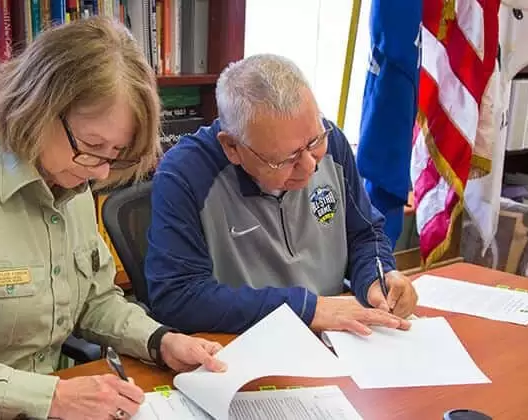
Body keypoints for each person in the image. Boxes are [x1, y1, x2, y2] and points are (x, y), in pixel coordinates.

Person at [0, 17, 225, 420]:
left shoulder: (71, 179)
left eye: (115, 153)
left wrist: (160, 340)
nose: (101, 173)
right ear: (38, 107)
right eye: (92, 146)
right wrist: (51, 397)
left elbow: (95, 300)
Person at [145, 53, 419, 335]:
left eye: (314, 141)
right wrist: (305, 309)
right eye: (285, 160)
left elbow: (364, 234)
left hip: (339, 334)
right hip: (245, 343)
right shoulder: (185, 175)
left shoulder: (333, 142)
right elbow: (177, 297)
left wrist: (378, 276)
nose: (311, 166)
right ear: (232, 148)